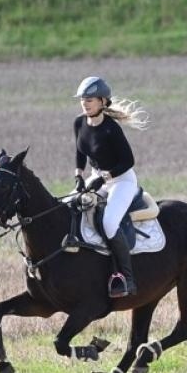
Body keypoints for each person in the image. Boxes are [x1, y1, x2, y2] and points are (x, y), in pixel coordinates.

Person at [72, 76, 150, 296]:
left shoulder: (111, 129)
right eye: (82, 99)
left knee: (108, 223)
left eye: (90, 99)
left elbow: (128, 161)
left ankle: (127, 278)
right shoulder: (79, 122)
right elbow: (79, 150)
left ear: (103, 102)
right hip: (97, 177)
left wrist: (105, 177)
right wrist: (79, 175)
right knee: (71, 205)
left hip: (122, 180)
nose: (85, 103)